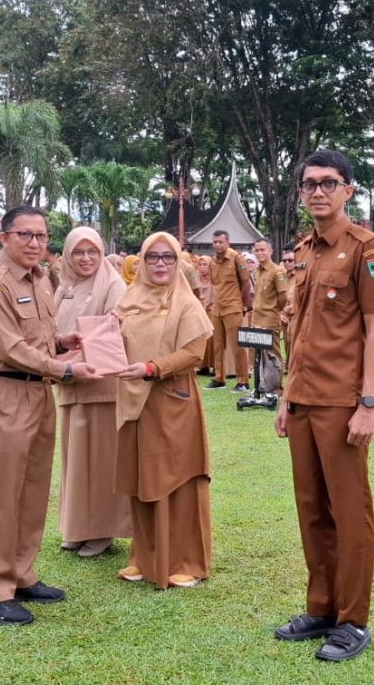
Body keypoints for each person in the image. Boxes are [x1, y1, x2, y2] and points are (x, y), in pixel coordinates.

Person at [273, 149, 374, 663]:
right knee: (312, 510)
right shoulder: (304, 250)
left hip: (342, 403)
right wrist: (286, 394)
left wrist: (368, 403)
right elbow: (300, 329)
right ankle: (320, 607)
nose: (318, 191)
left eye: (328, 182)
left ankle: (352, 620)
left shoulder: (366, 246)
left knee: (349, 512)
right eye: (309, 184)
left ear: (348, 190)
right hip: (303, 400)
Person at [0, 205, 102, 626]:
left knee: (33, 487)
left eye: (41, 236)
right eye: (25, 235)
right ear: (4, 237)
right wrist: (65, 369)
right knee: (4, 491)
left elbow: (38, 338)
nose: (34, 243)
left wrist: (63, 341)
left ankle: (21, 574)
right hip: (5, 391)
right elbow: (9, 348)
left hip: (39, 390)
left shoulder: (40, 279)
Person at [114, 231, 213, 589]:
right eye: (152, 257)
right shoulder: (128, 300)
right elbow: (112, 341)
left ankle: (186, 559)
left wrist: (152, 368)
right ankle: (143, 556)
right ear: (141, 261)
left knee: (178, 478)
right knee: (141, 477)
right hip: (134, 400)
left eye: (168, 257)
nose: (160, 264)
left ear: (178, 262)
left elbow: (194, 354)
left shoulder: (186, 303)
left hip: (172, 398)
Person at [53, 226, 131, 559]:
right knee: (75, 460)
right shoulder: (64, 287)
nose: (86, 259)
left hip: (101, 386)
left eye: (93, 252)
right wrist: (60, 365)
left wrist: (70, 364)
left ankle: (101, 530)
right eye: (79, 252)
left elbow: (113, 336)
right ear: (68, 256)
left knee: (100, 461)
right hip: (69, 383)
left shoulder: (113, 285)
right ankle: (78, 527)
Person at [207, 230, 253, 391]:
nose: (217, 245)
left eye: (220, 242)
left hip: (233, 307)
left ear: (228, 243)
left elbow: (246, 283)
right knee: (217, 345)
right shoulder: (212, 262)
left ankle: (243, 381)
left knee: (237, 346)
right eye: (215, 242)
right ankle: (219, 378)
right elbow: (214, 284)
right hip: (217, 308)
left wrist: (245, 305)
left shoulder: (236, 258)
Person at [250, 239, 289, 380]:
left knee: (272, 355)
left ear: (270, 251)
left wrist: (275, 310)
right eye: (257, 250)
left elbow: (283, 296)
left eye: (262, 250)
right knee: (258, 355)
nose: (259, 253)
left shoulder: (277, 272)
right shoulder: (257, 271)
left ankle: (276, 387)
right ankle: (261, 386)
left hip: (270, 319)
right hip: (256, 318)